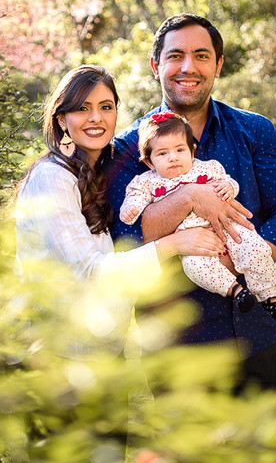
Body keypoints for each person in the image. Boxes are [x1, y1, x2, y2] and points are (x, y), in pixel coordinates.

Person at [106, 14, 276, 463]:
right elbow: (126, 238)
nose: (187, 67)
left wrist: (242, 253)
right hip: (177, 336)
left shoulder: (254, 131)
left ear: (218, 64)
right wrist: (189, 201)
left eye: (201, 55)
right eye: (175, 56)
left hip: (257, 327)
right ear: (156, 66)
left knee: (261, 454)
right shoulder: (128, 149)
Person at [13, 64, 224, 297]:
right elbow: (90, 272)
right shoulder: (52, 177)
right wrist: (174, 243)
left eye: (106, 107)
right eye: (82, 108)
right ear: (62, 119)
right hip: (62, 330)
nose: (96, 118)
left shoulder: (106, 169)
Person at [119, 110, 276, 321]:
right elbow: (134, 198)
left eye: (180, 150)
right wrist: (131, 209)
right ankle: (236, 291)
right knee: (195, 267)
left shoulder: (208, 168)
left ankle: (269, 296)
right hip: (194, 244)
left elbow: (228, 182)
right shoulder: (146, 181)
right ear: (149, 162)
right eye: (162, 153)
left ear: (192, 151)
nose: (173, 158)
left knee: (255, 247)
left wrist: (229, 187)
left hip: (229, 229)